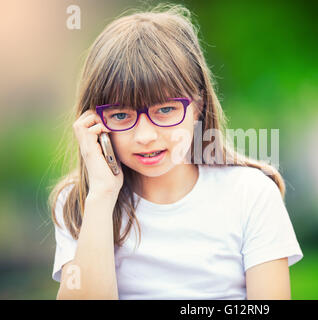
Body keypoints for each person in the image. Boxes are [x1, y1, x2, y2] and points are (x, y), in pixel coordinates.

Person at [48, 3, 303, 300]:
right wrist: (102, 196)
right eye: (121, 116)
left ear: (199, 105)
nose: (145, 136)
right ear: (94, 124)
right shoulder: (80, 203)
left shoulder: (251, 194)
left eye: (166, 109)